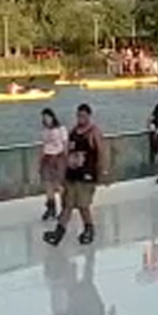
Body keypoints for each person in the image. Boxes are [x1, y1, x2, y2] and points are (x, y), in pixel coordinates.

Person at [45, 104, 107, 247]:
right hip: (72, 175)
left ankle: (89, 229)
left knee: (83, 205)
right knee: (68, 205)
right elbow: (67, 152)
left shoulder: (93, 132)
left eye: (83, 116)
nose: (81, 118)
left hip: (87, 175)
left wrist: (102, 171)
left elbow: (102, 152)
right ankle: (58, 233)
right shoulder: (73, 131)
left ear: (89, 116)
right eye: (79, 115)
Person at [39, 108, 69, 220]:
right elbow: (43, 146)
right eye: (44, 118)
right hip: (47, 157)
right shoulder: (44, 131)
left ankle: (64, 208)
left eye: (47, 117)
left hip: (58, 157)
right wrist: (40, 160)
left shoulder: (61, 129)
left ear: (52, 117)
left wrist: (65, 160)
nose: (46, 120)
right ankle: (51, 207)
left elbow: (65, 144)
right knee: (48, 185)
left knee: (59, 185)